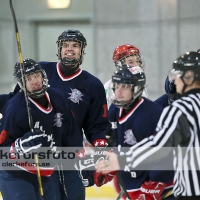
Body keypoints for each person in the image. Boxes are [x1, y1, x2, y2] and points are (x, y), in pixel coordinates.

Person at [0, 30, 110, 200]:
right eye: (65, 45)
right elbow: (16, 102)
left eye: (75, 46)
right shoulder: (40, 70)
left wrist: (99, 157)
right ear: (59, 49)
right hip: (36, 156)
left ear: (82, 50)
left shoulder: (92, 85)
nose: (70, 49)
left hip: (68, 155)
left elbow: (97, 126)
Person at [96, 51, 200, 200]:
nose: (175, 80)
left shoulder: (182, 108)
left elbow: (161, 146)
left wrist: (119, 160)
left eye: (178, 74)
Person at [0, 59, 82, 200]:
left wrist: (78, 159)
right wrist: (18, 148)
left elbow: (71, 133)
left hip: (45, 172)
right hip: (15, 174)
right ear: (21, 83)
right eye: (28, 78)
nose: (35, 81)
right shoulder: (15, 109)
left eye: (37, 75)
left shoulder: (58, 98)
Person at [105, 65, 174, 200]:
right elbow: (116, 142)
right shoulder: (114, 110)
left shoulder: (153, 114)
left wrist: (156, 182)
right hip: (130, 184)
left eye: (124, 87)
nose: (118, 92)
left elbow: (167, 151)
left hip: (156, 186)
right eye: (117, 86)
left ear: (137, 88)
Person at [104, 44, 148, 108]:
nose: (136, 65)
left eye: (138, 61)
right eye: (131, 62)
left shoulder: (139, 85)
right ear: (119, 64)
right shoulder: (109, 87)